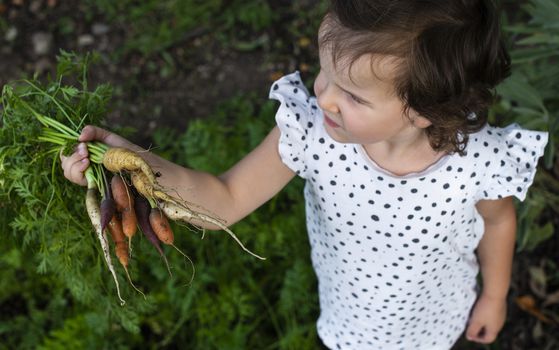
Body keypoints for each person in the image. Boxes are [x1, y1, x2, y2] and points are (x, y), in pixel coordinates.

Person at [61, 0, 549, 349]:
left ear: (426, 109)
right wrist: (130, 159)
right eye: (324, 72)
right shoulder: (312, 135)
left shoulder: (478, 161)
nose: (325, 97)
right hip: (349, 319)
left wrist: (494, 295)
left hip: (440, 319)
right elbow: (225, 199)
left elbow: (499, 223)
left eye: (353, 95)